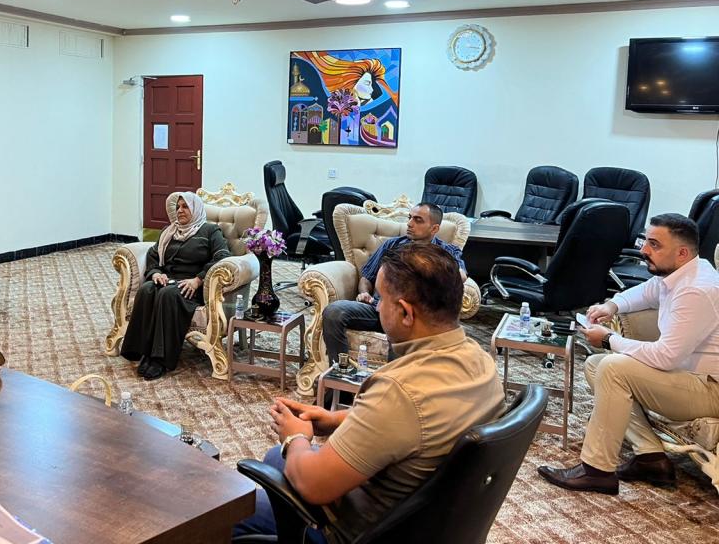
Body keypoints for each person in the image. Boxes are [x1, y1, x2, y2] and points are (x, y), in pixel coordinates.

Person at [233, 243, 503, 543]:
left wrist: (295, 437)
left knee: (228, 509)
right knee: (275, 458)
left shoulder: (399, 390)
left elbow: (312, 484)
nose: (376, 307)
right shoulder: (481, 362)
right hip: (422, 520)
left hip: (353, 530)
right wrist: (335, 419)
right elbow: (416, 423)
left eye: (382, 299)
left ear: (405, 313)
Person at [538, 212, 719, 495]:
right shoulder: (683, 271)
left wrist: (609, 339)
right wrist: (611, 306)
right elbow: (646, 292)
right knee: (596, 365)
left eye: (654, 245)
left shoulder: (697, 290)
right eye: (646, 241)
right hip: (689, 377)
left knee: (613, 368)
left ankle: (596, 471)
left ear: (682, 253)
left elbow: (665, 357)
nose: (644, 250)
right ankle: (650, 458)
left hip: (709, 389)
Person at [321, 202, 466, 364]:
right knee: (334, 312)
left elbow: (460, 276)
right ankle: (339, 370)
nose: (409, 223)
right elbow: (366, 277)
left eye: (418, 220)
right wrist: (364, 293)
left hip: (415, 318)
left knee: (401, 330)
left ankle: (393, 378)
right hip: (378, 308)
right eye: (410, 218)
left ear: (434, 228)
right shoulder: (392, 245)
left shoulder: (447, 252)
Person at [120, 192, 230, 380]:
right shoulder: (169, 231)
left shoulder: (210, 231)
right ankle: (141, 351)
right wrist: (155, 273)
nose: (180, 210)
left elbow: (222, 256)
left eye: (185, 206)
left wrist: (198, 279)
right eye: (178, 207)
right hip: (167, 279)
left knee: (167, 295)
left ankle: (160, 360)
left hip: (191, 286)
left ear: (195, 209)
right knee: (147, 289)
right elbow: (154, 255)